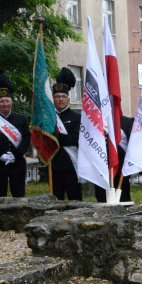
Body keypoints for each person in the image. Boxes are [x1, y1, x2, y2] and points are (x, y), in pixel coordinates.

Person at [0, 71, 31, 198]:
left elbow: (26, 139)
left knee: (19, 195)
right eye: (1, 101)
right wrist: (0, 156)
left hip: (17, 162)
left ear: (11, 102)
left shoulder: (22, 119)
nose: (5, 104)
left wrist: (15, 154)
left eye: (7, 100)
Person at [50, 68, 82, 201]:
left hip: (71, 165)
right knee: (56, 200)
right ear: (53, 99)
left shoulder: (76, 117)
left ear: (68, 99)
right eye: (57, 97)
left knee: (75, 199)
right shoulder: (49, 117)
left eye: (63, 97)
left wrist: (57, 138)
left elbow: (75, 139)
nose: (60, 99)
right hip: (54, 164)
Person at [92, 116, 133, 202]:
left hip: (120, 172)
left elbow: (132, 147)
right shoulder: (93, 120)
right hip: (101, 172)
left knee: (123, 201)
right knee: (102, 201)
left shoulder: (127, 122)